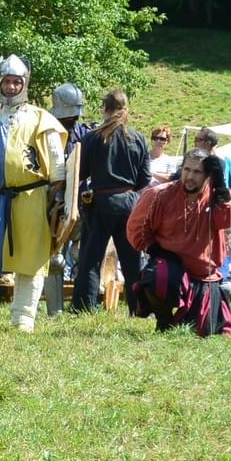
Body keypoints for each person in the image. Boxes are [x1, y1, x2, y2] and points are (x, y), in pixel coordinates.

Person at [0, 55, 66, 333]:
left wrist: (58, 198)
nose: (11, 86)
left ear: (25, 83)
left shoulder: (41, 118)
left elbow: (57, 162)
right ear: (0, 83)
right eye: (7, 81)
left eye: (17, 82)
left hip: (32, 197)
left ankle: (23, 319)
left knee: (31, 261)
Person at [127, 149, 231, 336]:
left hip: (203, 275)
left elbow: (227, 220)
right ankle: (164, 322)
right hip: (170, 265)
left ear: (207, 175)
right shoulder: (159, 194)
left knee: (204, 332)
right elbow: (136, 228)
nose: (189, 177)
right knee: (158, 277)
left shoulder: (218, 196)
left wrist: (220, 186)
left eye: (197, 172)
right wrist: (154, 249)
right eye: (186, 169)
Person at [71, 90, 151, 313]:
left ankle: (85, 307)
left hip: (100, 203)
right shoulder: (138, 138)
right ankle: (139, 308)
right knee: (132, 260)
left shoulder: (92, 138)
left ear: (105, 109)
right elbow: (144, 179)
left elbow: (80, 172)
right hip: (129, 203)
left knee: (90, 258)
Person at [193, 127, 231, 191]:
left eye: (198, 140)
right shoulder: (193, 160)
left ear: (208, 143)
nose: (195, 143)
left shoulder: (217, 163)